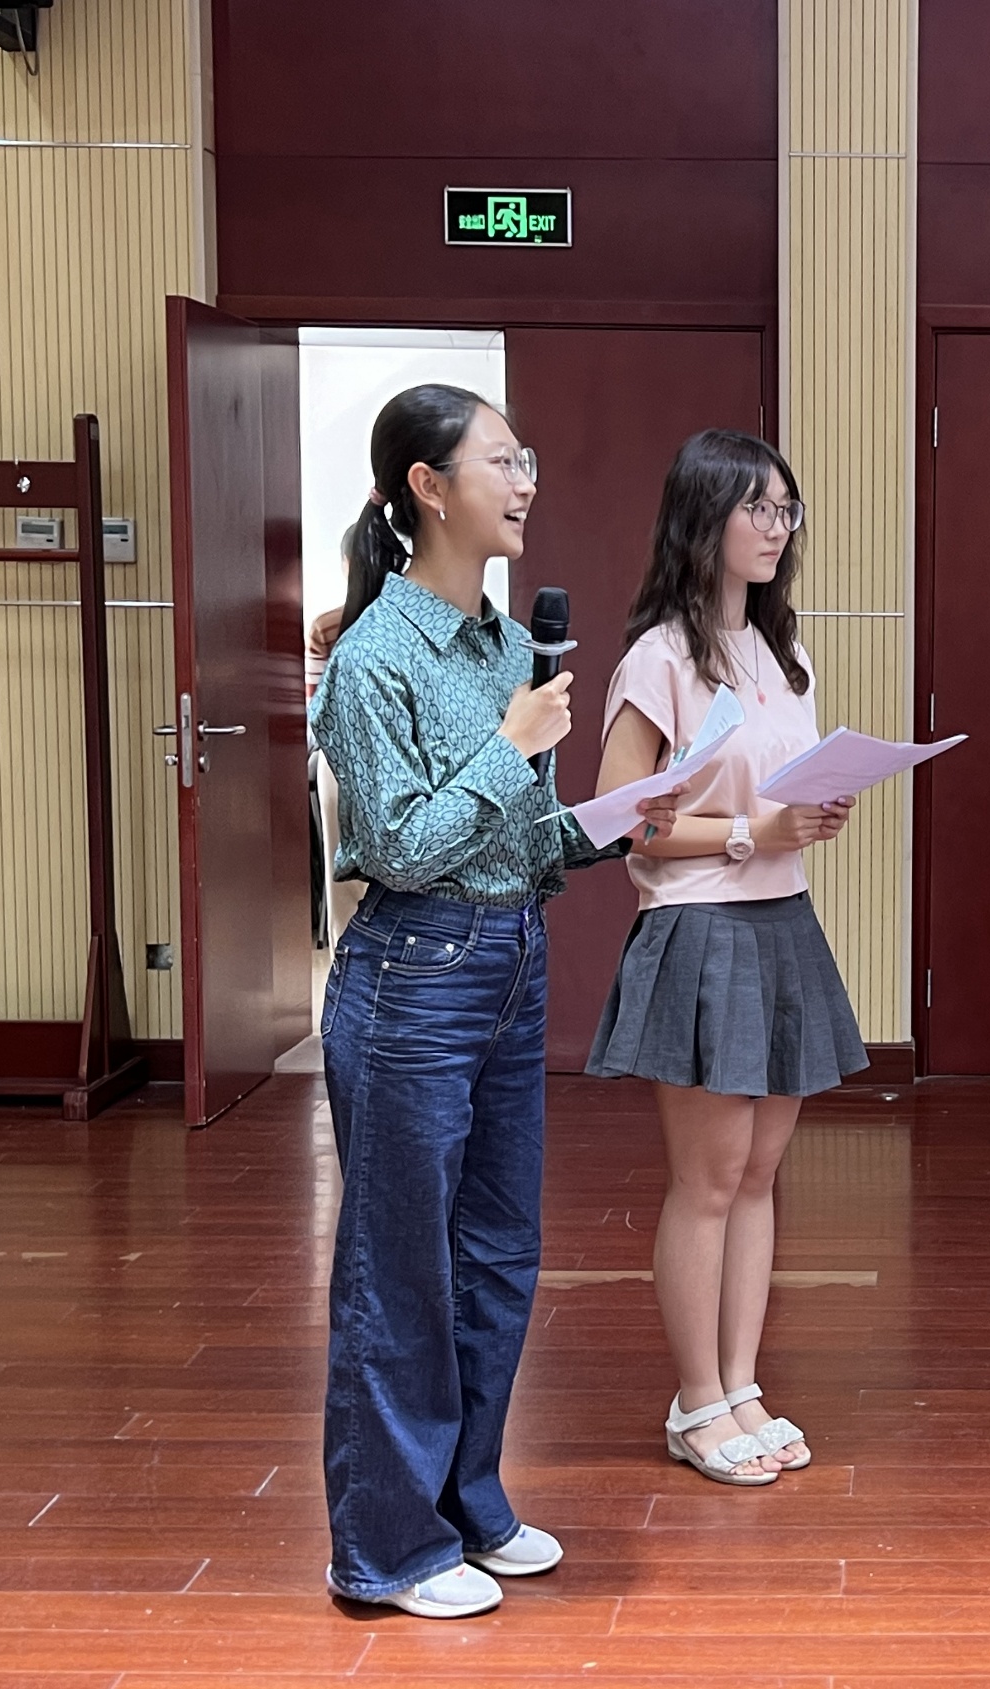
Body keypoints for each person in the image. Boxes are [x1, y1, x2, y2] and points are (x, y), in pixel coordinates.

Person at [310, 384, 682, 1618]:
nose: (526, 483)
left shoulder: (514, 648)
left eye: (528, 461)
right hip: (411, 978)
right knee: (399, 1271)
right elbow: (399, 849)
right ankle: (386, 1548)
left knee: (497, 1258)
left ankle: (467, 1501)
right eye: (501, 462)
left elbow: (515, 837)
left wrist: (619, 821)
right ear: (428, 488)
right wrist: (510, 744)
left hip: (510, 962)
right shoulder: (372, 659)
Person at [586, 429, 868, 1486]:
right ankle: (695, 1400)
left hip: (783, 920)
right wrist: (756, 830)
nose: (776, 526)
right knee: (707, 1182)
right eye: (756, 506)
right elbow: (623, 822)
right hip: (700, 926)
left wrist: (810, 815)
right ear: (702, 517)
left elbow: (777, 798)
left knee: (758, 1177)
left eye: (786, 509)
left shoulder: (785, 656)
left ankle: (740, 1385)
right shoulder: (660, 657)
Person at [307, 526, 365, 948]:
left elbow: (315, 710)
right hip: (411, 757)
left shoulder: (327, 626)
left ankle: (345, 963)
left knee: (341, 874)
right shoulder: (415, 624)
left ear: (346, 565)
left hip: (341, 757)